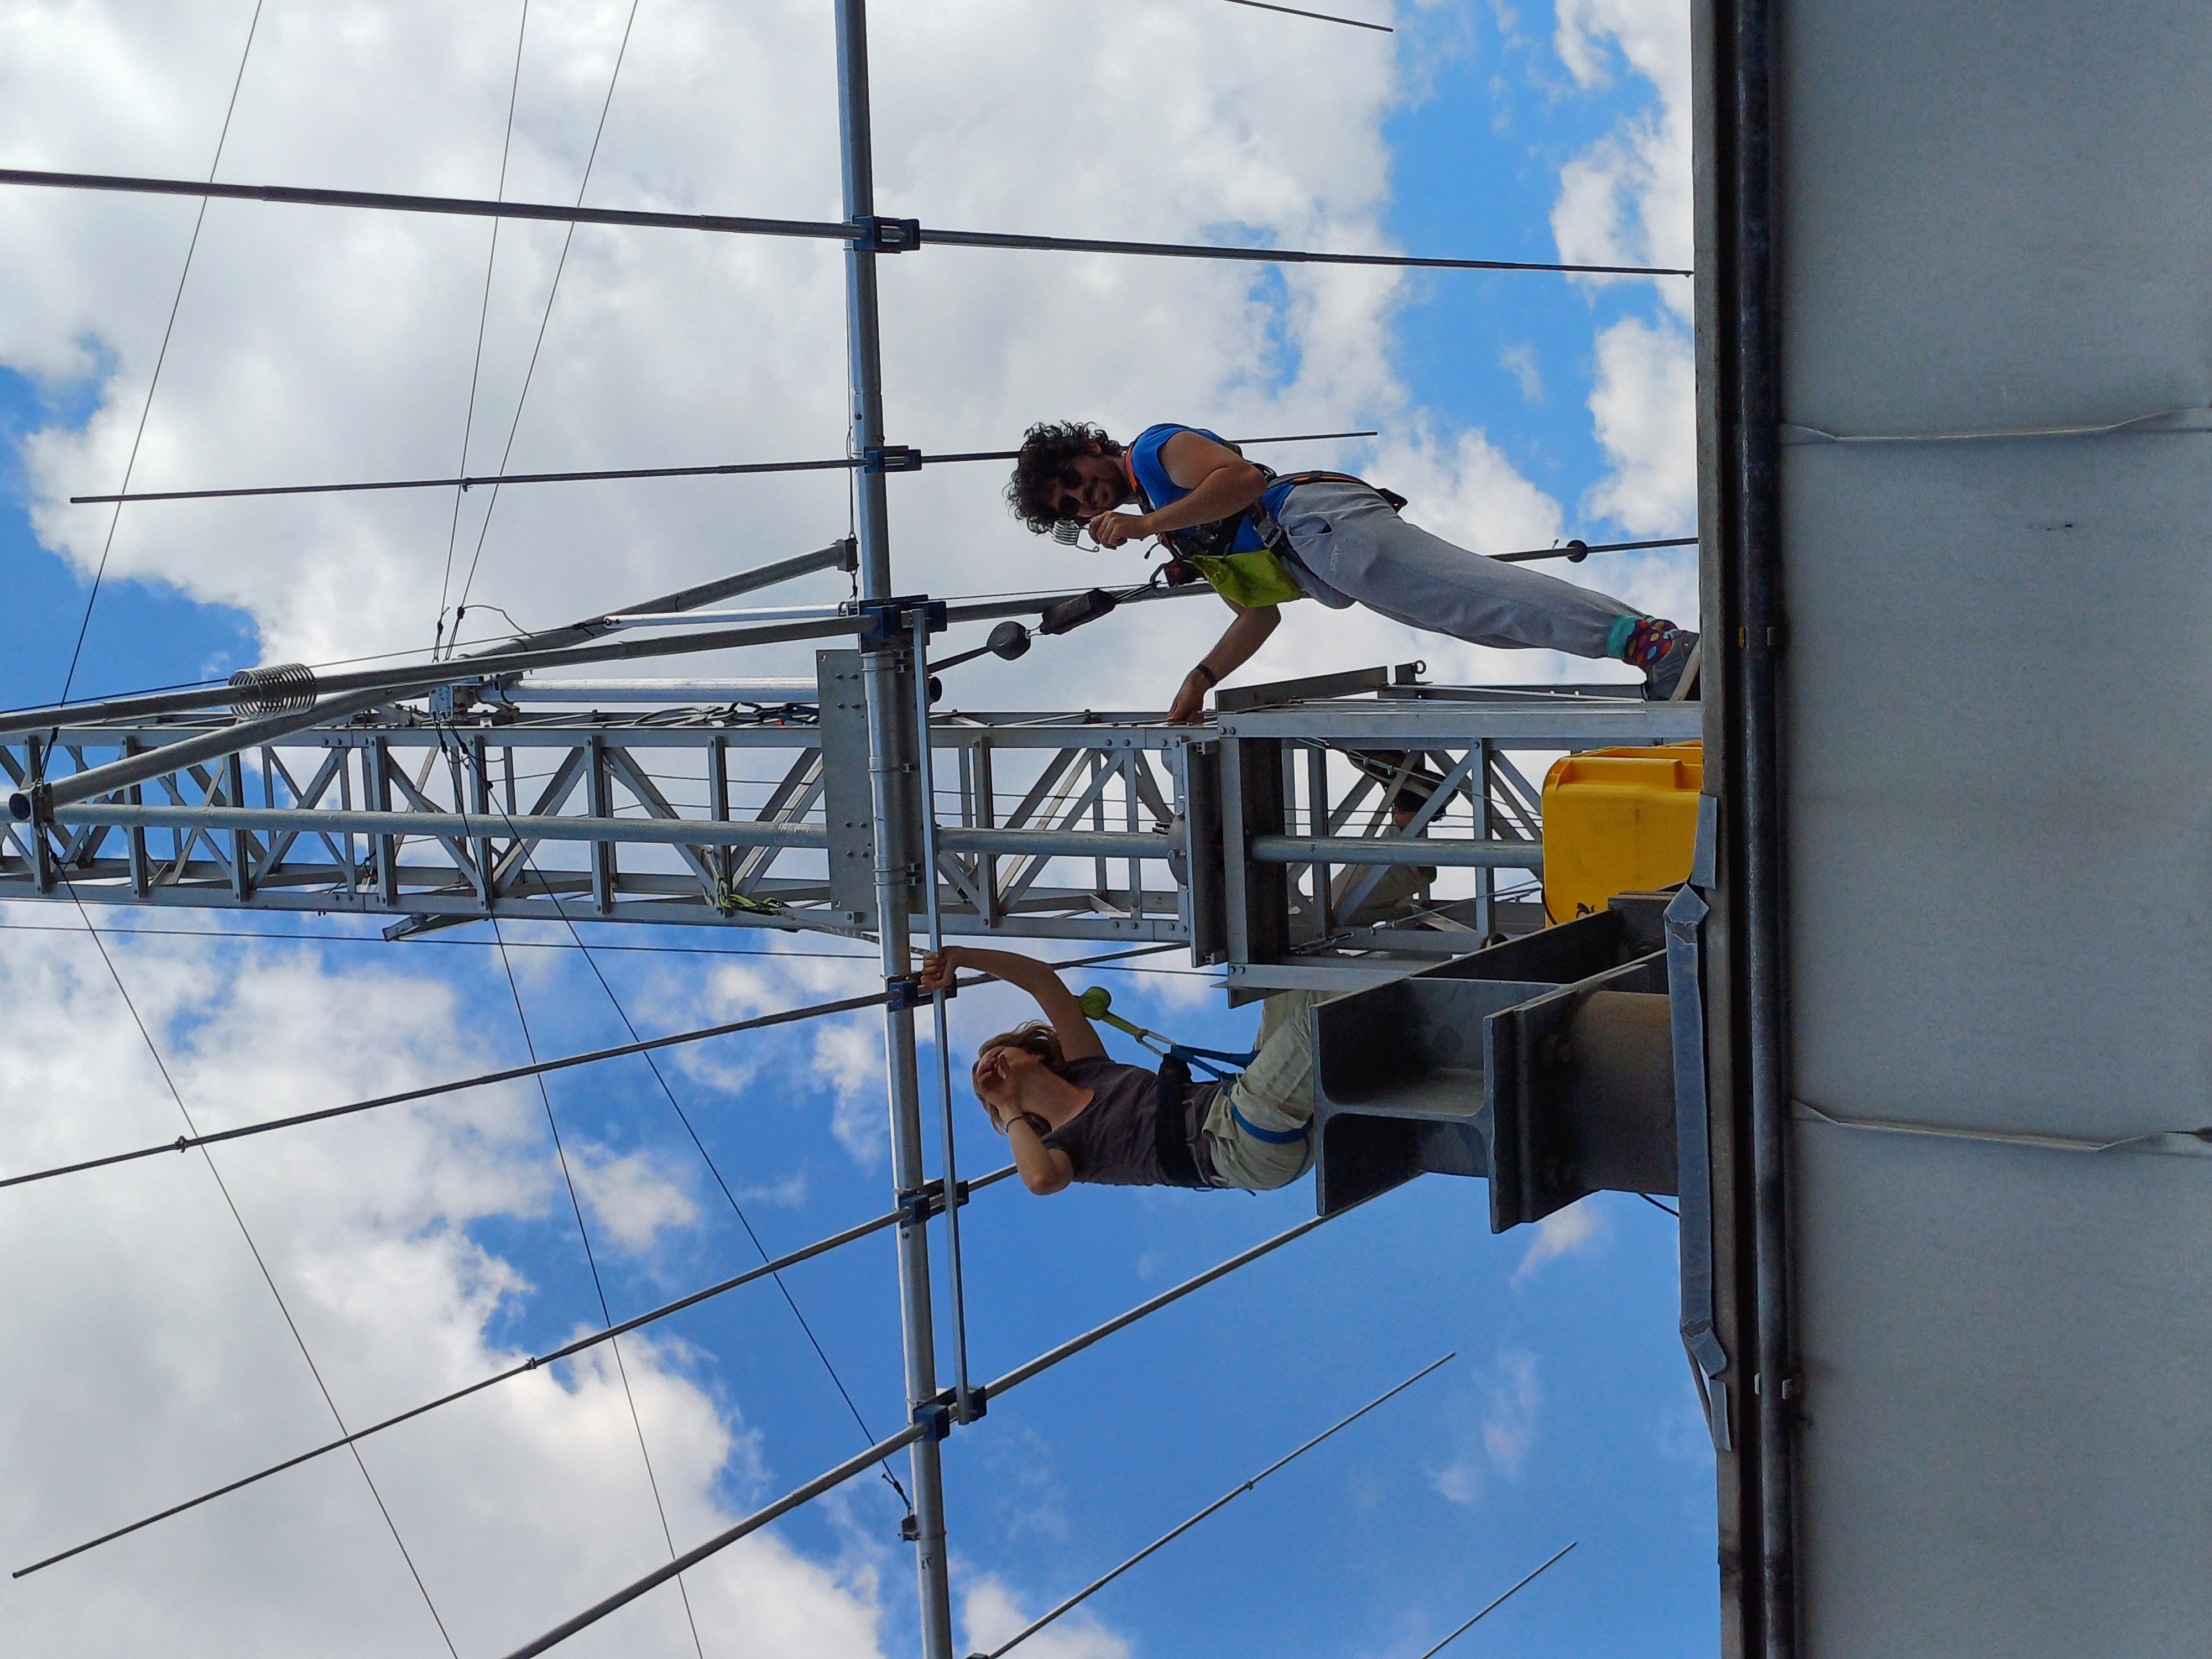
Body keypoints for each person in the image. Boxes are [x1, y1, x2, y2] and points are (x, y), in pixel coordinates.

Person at [1004, 420, 1699, 717]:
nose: (1082, 497)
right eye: (1069, 505)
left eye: (1073, 479)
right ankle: (1647, 651)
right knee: (1477, 616)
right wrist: (1203, 676)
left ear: (1091, 449)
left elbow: (1240, 479)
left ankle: (1654, 646)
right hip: (1319, 560)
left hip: (1317, 524)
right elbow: (1259, 612)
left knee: (1475, 597)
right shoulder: (1178, 532)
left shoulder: (1155, 456)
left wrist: (1150, 523)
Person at [917, 945, 1319, 1194]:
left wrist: (961, 957)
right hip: (1236, 1144)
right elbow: (1041, 1180)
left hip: (1244, 1104)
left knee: (1301, 963)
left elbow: (1042, 981)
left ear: (1036, 1054)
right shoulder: (1063, 1146)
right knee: (1315, 1022)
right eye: (981, 1076)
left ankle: (1384, 852)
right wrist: (1007, 1109)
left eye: (996, 1053)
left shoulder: (1089, 1070)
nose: (986, 1065)